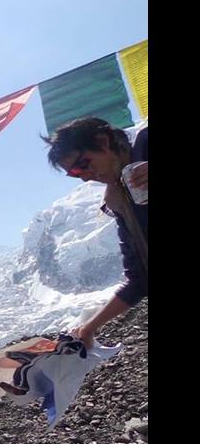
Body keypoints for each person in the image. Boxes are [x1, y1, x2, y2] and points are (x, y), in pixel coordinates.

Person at [43, 117, 148, 348]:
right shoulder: (119, 200)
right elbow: (139, 279)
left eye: (83, 164)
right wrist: (88, 328)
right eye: (75, 174)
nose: (84, 176)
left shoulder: (146, 142)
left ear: (102, 142)